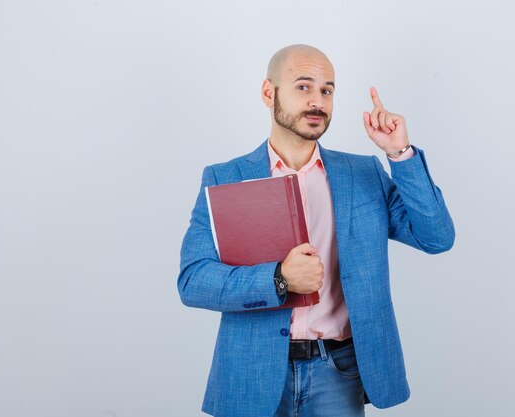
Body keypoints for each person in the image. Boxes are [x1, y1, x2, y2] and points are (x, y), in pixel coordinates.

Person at [177, 44, 455, 417]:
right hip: (251, 373)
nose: (317, 101)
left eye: (327, 90)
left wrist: (399, 153)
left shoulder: (363, 174)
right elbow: (194, 280)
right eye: (303, 87)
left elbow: (436, 237)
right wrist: (278, 279)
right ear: (268, 93)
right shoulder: (226, 178)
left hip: (338, 373)